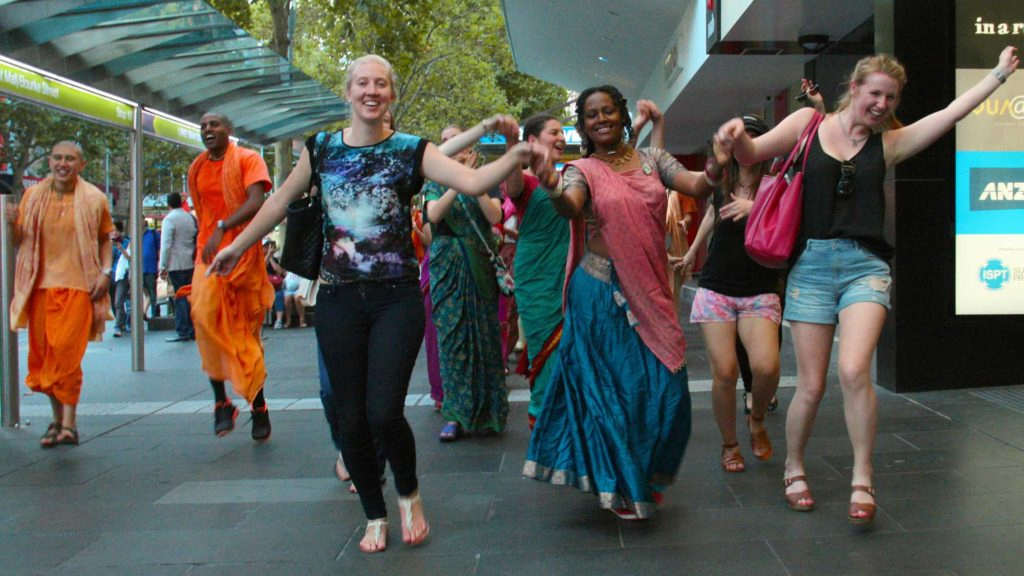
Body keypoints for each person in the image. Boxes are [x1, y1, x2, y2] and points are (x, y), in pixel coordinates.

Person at [208, 54, 541, 553]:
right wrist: (238, 243)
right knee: (350, 417)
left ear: (390, 95)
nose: (371, 91)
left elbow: (471, 182)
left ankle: (407, 492)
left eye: (381, 84)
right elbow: (277, 202)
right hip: (339, 299)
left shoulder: (411, 150)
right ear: (349, 91)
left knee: (384, 412)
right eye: (362, 83)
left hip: (396, 298)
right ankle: (373, 512)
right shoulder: (321, 149)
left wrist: (516, 152)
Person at [715, 46, 1019, 524]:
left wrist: (998, 76)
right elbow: (754, 152)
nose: (881, 104)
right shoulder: (806, 125)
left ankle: (862, 476)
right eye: (875, 93)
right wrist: (735, 137)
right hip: (810, 266)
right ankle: (794, 466)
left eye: (891, 98)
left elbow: (949, 113)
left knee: (855, 370)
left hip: (866, 266)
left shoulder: (889, 143)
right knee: (811, 385)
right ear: (854, 88)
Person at [523, 87, 726, 519]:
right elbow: (569, 205)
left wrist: (717, 163)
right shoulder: (583, 170)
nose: (601, 119)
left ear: (622, 116)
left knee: (669, 391)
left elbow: (696, 184)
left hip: (650, 289)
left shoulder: (653, 161)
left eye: (608, 111)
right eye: (592, 114)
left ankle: (643, 473)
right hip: (600, 291)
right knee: (613, 393)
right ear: (585, 124)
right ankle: (619, 483)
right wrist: (551, 183)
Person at [676, 114, 781, 474]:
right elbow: (710, 215)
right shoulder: (723, 180)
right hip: (718, 285)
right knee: (724, 373)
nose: (746, 146)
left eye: (753, 138)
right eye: (740, 139)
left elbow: (791, 222)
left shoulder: (777, 183)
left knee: (766, 366)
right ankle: (730, 444)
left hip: (760, 287)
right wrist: (691, 254)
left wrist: (757, 209)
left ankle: (756, 418)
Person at [6, 141, 114, 447]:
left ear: (81, 165)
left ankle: (70, 424)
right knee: (43, 361)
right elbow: (19, 240)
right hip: (38, 288)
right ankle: (56, 421)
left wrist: (105, 273)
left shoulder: (94, 198)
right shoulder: (33, 196)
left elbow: (105, 239)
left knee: (66, 356)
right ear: (50, 162)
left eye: (70, 159)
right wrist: (12, 222)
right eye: (57, 158)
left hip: (79, 289)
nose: (62, 163)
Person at [187, 112, 274, 442]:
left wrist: (224, 227)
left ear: (229, 130)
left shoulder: (248, 159)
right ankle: (221, 402)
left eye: (214, 124)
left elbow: (257, 200)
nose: (208, 129)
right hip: (207, 257)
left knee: (245, 337)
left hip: (242, 256)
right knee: (204, 321)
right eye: (203, 126)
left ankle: (258, 407)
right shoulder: (196, 166)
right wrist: (210, 233)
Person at [424, 125, 508, 442]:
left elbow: (494, 216)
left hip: (480, 268)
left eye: (457, 142)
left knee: (485, 338)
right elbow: (434, 216)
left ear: (470, 148)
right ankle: (455, 414)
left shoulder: (486, 176)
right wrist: (458, 184)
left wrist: (476, 183)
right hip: (448, 268)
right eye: (444, 142)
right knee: (453, 341)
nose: (452, 148)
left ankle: (489, 413)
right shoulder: (435, 181)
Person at [500, 112, 569, 429]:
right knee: (545, 347)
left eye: (562, 132)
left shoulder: (572, 178)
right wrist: (512, 144)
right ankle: (543, 420)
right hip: (537, 277)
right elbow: (512, 185)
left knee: (571, 348)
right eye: (553, 132)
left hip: (572, 274)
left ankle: (568, 419)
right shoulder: (525, 180)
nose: (561, 138)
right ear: (533, 141)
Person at [159, 192, 197, 342]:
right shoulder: (190, 218)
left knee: (180, 296)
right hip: (190, 260)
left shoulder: (169, 219)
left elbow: (166, 244)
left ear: (168, 204)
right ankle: (193, 327)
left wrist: (162, 265)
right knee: (190, 296)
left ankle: (183, 329)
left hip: (176, 262)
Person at [112, 232, 131, 337]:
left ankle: (119, 325)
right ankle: (121, 323)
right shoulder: (108, 244)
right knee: (114, 302)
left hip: (122, 275)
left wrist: (121, 249)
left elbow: (130, 258)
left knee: (119, 301)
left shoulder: (127, 242)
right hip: (111, 275)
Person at [140, 217, 160, 317]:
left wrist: (160, 264)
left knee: (152, 291)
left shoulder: (152, 234)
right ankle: (142, 312)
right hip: (138, 269)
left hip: (151, 267)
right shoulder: (135, 235)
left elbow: (158, 249)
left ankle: (154, 314)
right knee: (144, 292)